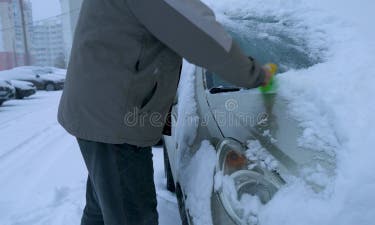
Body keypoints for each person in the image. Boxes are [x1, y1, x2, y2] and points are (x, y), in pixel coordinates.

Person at [57, 0, 273, 224]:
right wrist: (256, 75)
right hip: (115, 122)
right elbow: (200, 34)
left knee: (103, 210)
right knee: (133, 217)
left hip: (103, 112)